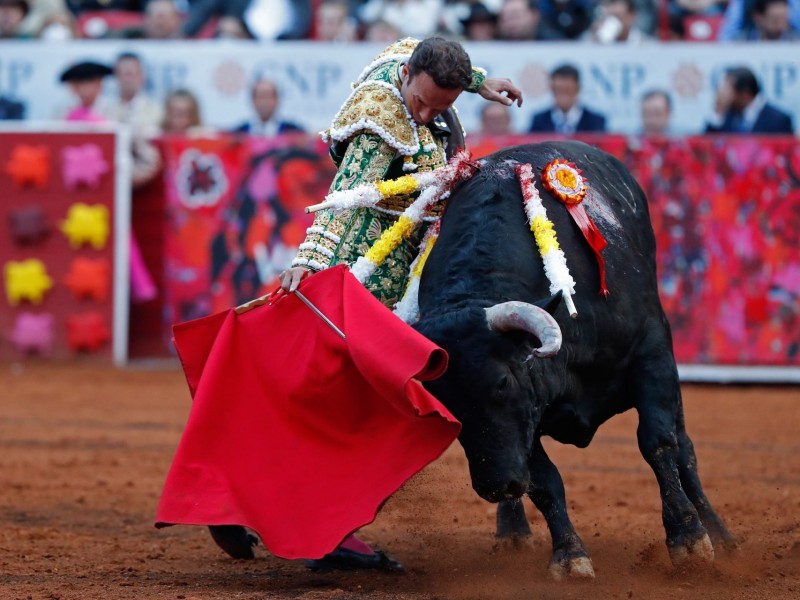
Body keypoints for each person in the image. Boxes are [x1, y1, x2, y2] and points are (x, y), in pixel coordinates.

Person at [251, 36, 520, 571]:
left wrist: (480, 83)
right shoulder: (379, 115)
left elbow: (423, 50)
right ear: (407, 77)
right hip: (363, 266)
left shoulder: (412, 61)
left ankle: (284, 507)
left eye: (439, 108)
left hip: (411, 258)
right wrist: (311, 256)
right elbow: (345, 196)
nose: (423, 115)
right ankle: (326, 528)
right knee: (361, 399)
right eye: (420, 102)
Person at [704, 66, 794, 134]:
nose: (721, 94)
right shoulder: (726, 117)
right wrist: (717, 114)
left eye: (727, 90)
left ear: (745, 94)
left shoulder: (778, 120)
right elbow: (705, 150)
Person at [529, 63, 606, 134]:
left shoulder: (595, 121)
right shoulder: (539, 121)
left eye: (568, 90)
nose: (563, 96)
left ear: (577, 89)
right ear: (552, 89)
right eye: (558, 90)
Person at [107, 52, 163, 138]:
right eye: (122, 74)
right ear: (116, 77)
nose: (127, 79)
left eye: (130, 74)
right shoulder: (106, 110)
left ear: (142, 77)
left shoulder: (157, 111)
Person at [232, 78, 305, 136]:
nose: (264, 102)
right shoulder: (238, 135)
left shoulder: (294, 132)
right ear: (252, 101)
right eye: (260, 97)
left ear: (277, 100)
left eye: (268, 96)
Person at [583, 0, 655, 43]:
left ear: (631, 15)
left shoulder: (645, 44)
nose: (613, 21)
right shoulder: (592, 39)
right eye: (610, 16)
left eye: (618, 16)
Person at [733, 0, 800, 39]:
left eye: (784, 18)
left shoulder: (796, 42)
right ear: (758, 17)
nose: (780, 26)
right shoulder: (738, 43)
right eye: (775, 20)